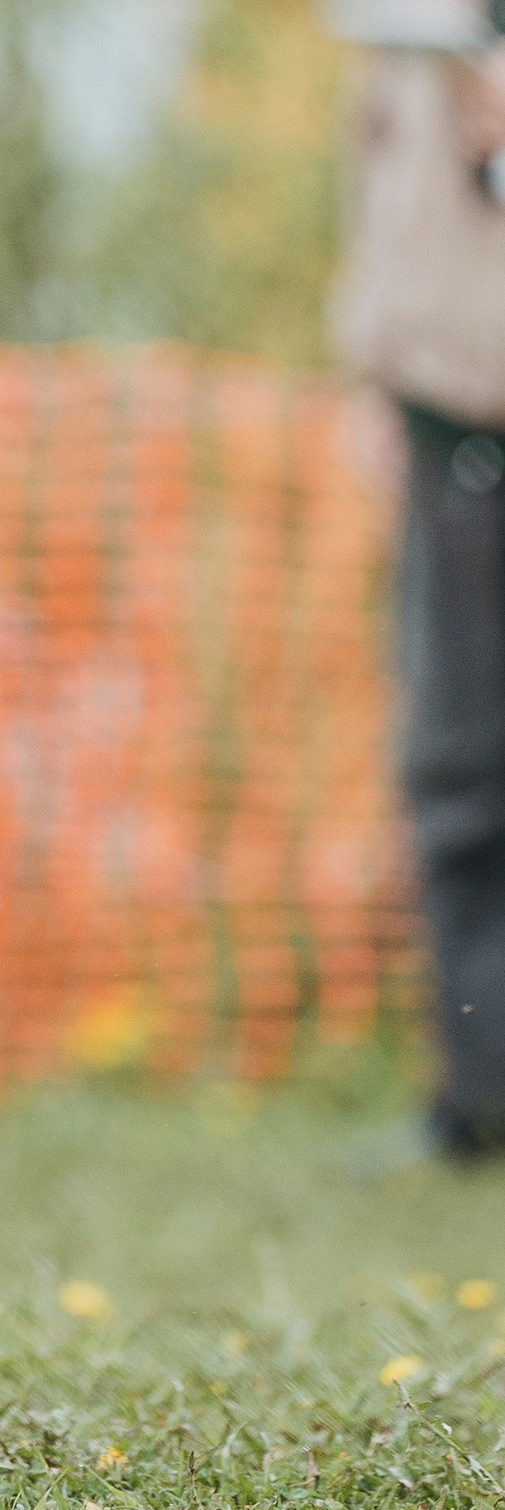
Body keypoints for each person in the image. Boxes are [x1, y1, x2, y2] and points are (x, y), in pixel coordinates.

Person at [336, 15, 505, 1160]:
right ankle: (482, 1093)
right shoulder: (414, 35)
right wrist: (376, 378)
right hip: (445, 429)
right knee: (454, 770)